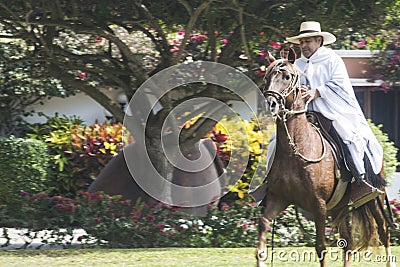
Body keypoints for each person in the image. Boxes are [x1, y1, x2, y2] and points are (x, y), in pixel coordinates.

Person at [266, 21, 385, 208]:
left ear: (319, 41)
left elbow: (340, 86)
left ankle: (359, 184)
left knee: (348, 138)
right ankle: (270, 183)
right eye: (302, 42)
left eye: (308, 41)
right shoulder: (296, 64)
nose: (304, 46)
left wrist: (317, 92)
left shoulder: (332, 60)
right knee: (275, 141)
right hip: (305, 113)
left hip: (331, 111)